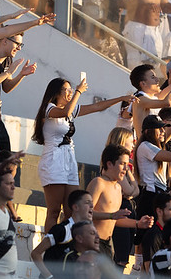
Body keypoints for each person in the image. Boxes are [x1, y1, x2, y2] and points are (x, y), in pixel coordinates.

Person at [33, 76, 136, 231]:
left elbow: (97, 107)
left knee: (71, 210)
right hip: (54, 160)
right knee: (54, 211)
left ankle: (66, 244)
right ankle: (50, 247)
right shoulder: (49, 108)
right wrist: (78, 92)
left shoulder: (70, 109)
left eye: (70, 90)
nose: (69, 93)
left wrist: (121, 98)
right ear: (56, 92)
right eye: (66, 90)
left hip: (69, 159)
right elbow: (65, 112)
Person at [87, 144, 154, 261]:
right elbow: (85, 214)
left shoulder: (118, 188)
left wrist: (138, 223)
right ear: (109, 164)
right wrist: (112, 215)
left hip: (108, 243)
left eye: (127, 165)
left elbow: (115, 220)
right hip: (91, 241)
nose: (126, 169)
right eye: (122, 164)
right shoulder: (98, 183)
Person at [30, 189, 94, 279]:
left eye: (92, 202)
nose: (92, 206)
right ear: (75, 207)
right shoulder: (62, 229)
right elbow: (35, 253)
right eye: (87, 202)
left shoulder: (87, 233)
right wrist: (49, 278)